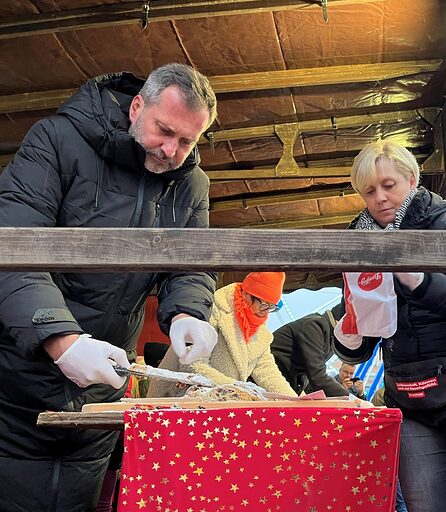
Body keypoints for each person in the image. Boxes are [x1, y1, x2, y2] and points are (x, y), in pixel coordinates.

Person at [0, 63, 219, 511]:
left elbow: (190, 265)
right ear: (137, 105)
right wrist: (62, 341)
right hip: (16, 383)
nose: (170, 150)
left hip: (102, 392)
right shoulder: (57, 141)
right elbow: (11, 247)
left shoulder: (192, 184)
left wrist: (187, 313)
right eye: (164, 131)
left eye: (187, 141)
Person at [333, 140, 446, 512]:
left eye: (389, 185)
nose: (380, 197)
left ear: (411, 180)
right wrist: (347, 337)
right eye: (370, 191)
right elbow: (362, 342)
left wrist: (423, 282)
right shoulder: (358, 248)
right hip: (409, 395)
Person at [148, 272, 297, 398]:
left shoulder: (259, 331)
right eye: (263, 304)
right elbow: (193, 365)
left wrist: (296, 401)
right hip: (176, 397)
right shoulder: (210, 309)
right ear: (246, 294)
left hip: (217, 402)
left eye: (272, 307)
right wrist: (238, 388)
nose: (265, 312)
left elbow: (267, 372)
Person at [270, 304, 350, 396]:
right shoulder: (313, 326)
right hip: (269, 383)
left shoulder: (329, 335)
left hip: (282, 384)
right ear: (340, 322)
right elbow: (317, 376)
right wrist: (352, 399)